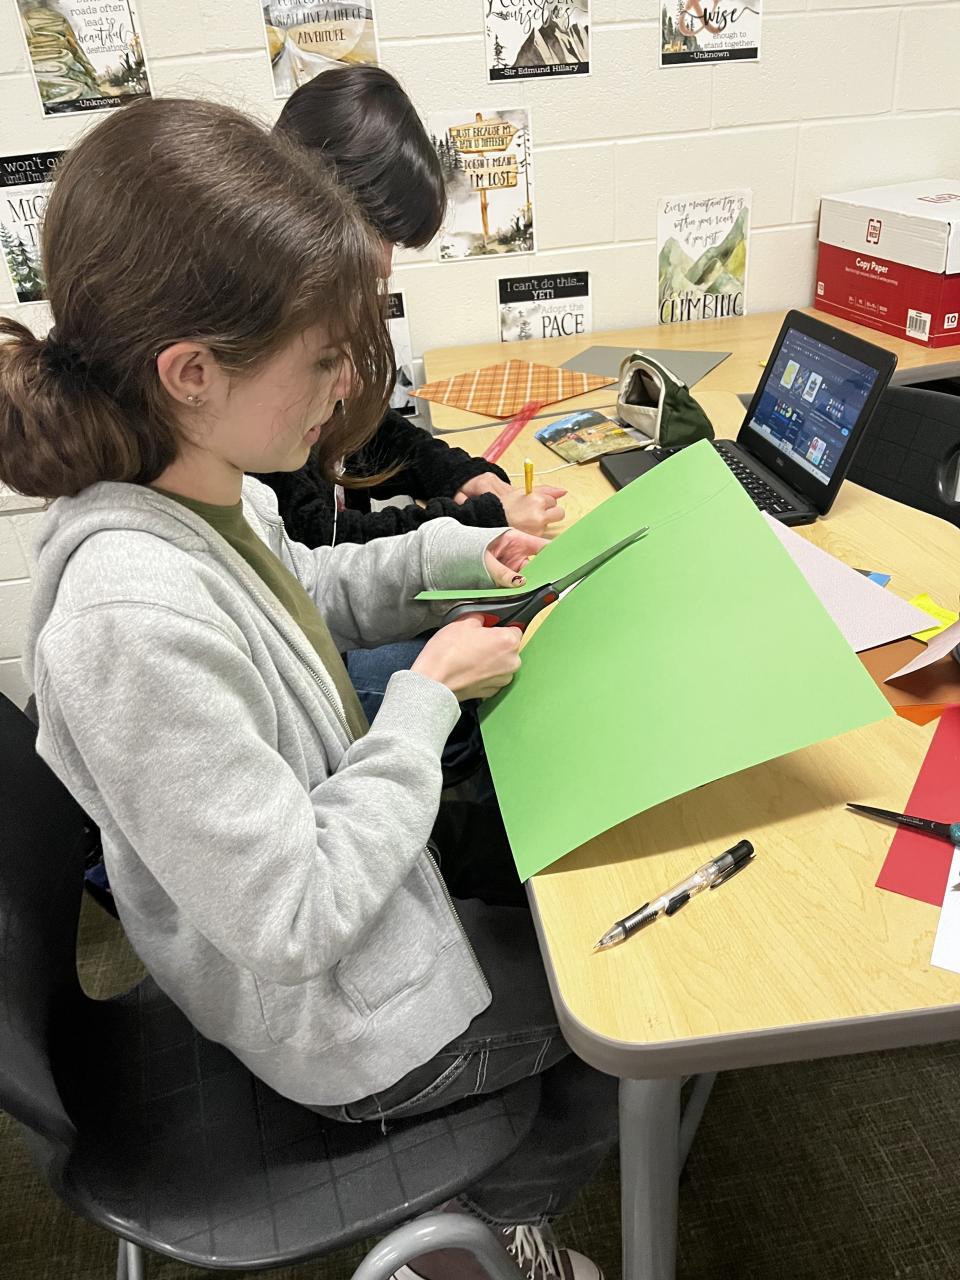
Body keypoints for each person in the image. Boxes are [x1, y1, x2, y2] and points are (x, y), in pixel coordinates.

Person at [0, 99, 616, 1280]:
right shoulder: (128, 619)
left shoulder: (202, 480)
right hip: (332, 1025)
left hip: (341, 930)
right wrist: (426, 696)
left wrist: (453, 553)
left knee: (545, 899)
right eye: (322, 358)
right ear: (191, 372)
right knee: (620, 1014)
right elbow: (292, 915)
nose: (342, 387)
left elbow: (305, 592)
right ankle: (482, 1242)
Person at [256, 67, 567, 751]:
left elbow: (349, 444)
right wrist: (473, 524)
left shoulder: (262, 410)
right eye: (383, 237)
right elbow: (315, 549)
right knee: (528, 670)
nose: (388, 266)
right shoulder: (254, 395)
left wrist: (455, 480)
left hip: (317, 642)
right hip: (314, 690)